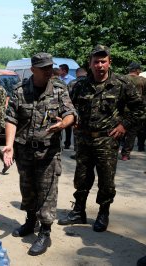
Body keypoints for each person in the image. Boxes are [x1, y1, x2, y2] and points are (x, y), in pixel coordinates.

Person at [58, 45, 144, 233]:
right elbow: (68, 107)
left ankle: (103, 213)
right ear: (90, 64)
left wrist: (123, 125)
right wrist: (72, 120)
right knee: (81, 177)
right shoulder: (80, 85)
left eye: (103, 61)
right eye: (96, 61)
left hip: (107, 141)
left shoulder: (122, 83)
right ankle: (79, 210)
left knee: (106, 180)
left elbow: (139, 108)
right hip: (84, 140)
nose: (99, 65)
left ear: (109, 62)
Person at [3, 52, 76, 256]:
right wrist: (9, 145)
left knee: (47, 191)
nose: (48, 71)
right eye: (43, 68)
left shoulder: (59, 88)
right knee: (27, 189)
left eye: (50, 67)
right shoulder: (19, 90)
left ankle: (45, 231)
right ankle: (30, 221)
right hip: (24, 150)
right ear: (33, 69)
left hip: (48, 151)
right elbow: (11, 119)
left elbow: (71, 112)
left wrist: (63, 123)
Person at [120, 62, 146, 159]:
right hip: (136, 110)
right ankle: (125, 154)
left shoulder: (121, 79)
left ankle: (114, 150)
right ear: (138, 70)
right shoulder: (143, 81)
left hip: (122, 110)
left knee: (119, 129)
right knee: (132, 133)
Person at [67, 67, 88, 159]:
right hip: (90, 112)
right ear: (85, 73)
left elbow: (68, 99)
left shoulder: (72, 83)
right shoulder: (91, 81)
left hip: (77, 112)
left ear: (76, 74)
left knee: (77, 132)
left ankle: (78, 152)